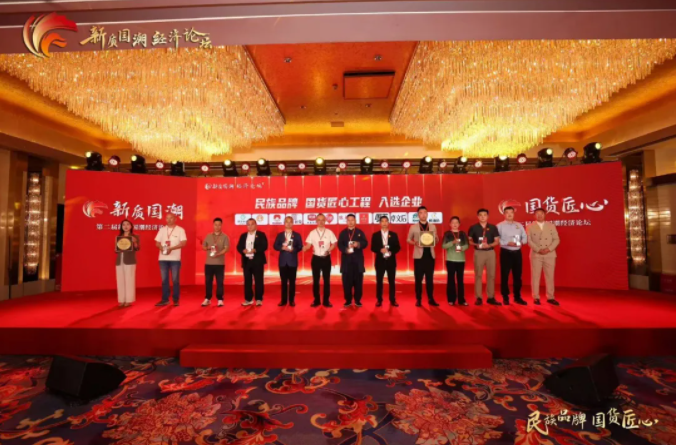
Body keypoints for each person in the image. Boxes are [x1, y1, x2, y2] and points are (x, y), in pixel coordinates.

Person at [407, 206, 440, 307]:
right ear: (418, 215)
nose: (423, 214)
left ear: (427, 214)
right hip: (419, 257)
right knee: (418, 279)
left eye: (425, 212)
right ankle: (418, 299)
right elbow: (408, 239)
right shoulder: (413, 227)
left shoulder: (433, 226)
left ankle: (431, 298)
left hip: (430, 256)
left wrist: (435, 239)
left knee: (430, 279)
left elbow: (437, 240)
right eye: (421, 213)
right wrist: (415, 243)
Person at [527, 208, 561, 306]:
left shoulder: (551, 226)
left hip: (550, 254)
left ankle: (550, 297)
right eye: (537, 214)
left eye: (541, 213)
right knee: (535, 276)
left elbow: (556, 239)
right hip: (536, 254)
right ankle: (536, 297)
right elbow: (529, 241)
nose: (540, 215)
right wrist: (538, 249)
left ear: (545, 214)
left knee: (550, 277)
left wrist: (549, 249)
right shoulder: (530, 226)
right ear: (534, 215)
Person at [302, 213, 337, 307]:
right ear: (316, 221)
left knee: (326, 281)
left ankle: (326, 301)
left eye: (322, 220)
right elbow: (308, 245)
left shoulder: (329, 232)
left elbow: (334, 244)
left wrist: (329, 250)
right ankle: (316, 300)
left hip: (326, 259)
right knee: (316, 281)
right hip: (316, 259)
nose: (320, 222)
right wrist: (305, 248)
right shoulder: (312, 233)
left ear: (325, 221)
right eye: (319, 220)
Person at [468, 209, 501, 306]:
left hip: (490, 252)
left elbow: (497, 241)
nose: (483, 217)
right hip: (479, 252)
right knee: (478, 275)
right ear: (478, 216)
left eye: (485, 215)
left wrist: (489, 245)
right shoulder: (473, 227)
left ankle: (491, 297)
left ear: (488, 216)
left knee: (491, 275)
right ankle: (478, 297)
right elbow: (469, 241)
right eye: (480, 215)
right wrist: (476, 244)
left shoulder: (493, 227)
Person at [154, 213, 187, 307]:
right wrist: (162, 248)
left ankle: (176, 299)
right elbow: (157, 243)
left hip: (175, 259)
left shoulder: (180, 230)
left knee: (175, 280)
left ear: (175, 219)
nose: (169, 220)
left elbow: (184, 243)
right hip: (163, 258)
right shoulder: (162, 230)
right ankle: (165, 299)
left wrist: (171, 249)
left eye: (171, 218)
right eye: (167, 218)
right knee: (164, 280)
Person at [497, 207, 528, 306]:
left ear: (514, 214)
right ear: (504, 214)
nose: (509, 214)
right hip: (506, 253)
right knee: (505, 276)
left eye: (511, 212)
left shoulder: (519, 225)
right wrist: (507, 243)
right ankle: (505, 297)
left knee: (517, 276)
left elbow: (525, 237)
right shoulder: (499, 226)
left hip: (517, 253)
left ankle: (517, 297)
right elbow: (496, 239)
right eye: (507, 212)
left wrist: (521, 243)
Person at [338, 214, 368, 308]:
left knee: (358, 283)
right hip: (346, 262)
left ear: (355, 221)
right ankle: (348, 300)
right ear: (346, 221)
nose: (350, 222)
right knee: (346, 283)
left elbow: (365, 243)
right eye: (349, 220)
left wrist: (358, 244)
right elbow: (339, 245)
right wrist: (345, 250)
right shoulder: (343, 233)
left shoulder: (360, 232)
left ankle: (358, 300)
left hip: (358, 262)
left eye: (352, 220)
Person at [236, 218, 268, 306]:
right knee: (247, 281)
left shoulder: (261, 235)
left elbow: (265, 246)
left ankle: (259, 299)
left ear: (256, 225)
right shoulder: (243, 236)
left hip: (257, 261)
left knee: (259, 280)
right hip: (247, 261)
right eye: (248, 224)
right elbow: (239, 246)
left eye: (252, 224)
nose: (250, 226)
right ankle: (248, 299)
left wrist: (255, 250)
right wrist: (243, 250)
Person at [273, 216, 304, 306]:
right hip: (283, 262)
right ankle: (283, 300)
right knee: (283, 282)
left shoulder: (297, 235)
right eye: (287, 221)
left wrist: (293, 249)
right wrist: (281, 247)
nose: (289, 223)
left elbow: (300, 247)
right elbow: (275, 246)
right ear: (284, 223)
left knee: (292, 282)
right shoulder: (280, 235)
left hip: (292, 261)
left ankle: (291, 300)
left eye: (290, 222)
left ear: (293, 223)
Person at [370, 215, 400, 307]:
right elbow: (372, 247)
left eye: (386, 221)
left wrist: (391, 252)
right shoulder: (375, 235)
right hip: (380, 261)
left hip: (391, 261)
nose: (384, 223)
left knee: (392, 281)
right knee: (379, 281)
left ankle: (392, 299)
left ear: (388, 223)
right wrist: (380, 250)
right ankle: (379, 299)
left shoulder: (394, 235)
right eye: (382, 221)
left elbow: (398, 247)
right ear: (380, 223)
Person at [201, 217, 230, 307]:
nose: (217, 227)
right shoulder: (208, 236)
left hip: (219, 263)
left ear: (221, 225)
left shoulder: (225, 237)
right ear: (213, 225)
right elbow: (203, 247)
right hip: (209, 263)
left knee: (220, 282)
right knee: (208, 281)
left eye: (219, 225)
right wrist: (208, 248)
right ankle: (208, 298)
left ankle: (220, 299)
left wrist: (219, 254)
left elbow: (226, 248)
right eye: (215, 225)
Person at [441, 216, 469, 306]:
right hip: (450, 260)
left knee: (460, 280)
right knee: (451, 280)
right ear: (450, 224)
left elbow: (467, 245)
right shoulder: (447, 234)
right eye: (453, 223)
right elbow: (443, 246)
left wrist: (462, 248)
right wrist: (452, 243)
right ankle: (451, 299)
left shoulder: (463, 234)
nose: (455, 224)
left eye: (456, 222)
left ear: (459, 224)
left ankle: (461, 300)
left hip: (461, 260)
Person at [115, 219, 139, 307]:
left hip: (130, 260)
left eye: (127, 224)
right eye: (123, 225)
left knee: (129, 280)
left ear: (131, 226)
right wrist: (117, 248)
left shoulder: (135, 236)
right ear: (121, 227)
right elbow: (116, 250)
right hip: (119, 260)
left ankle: (129, 300)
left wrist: (134, 242)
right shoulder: (119, 237)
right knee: (120, 280)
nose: (125, 226)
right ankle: (121, 300)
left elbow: (137, 248)